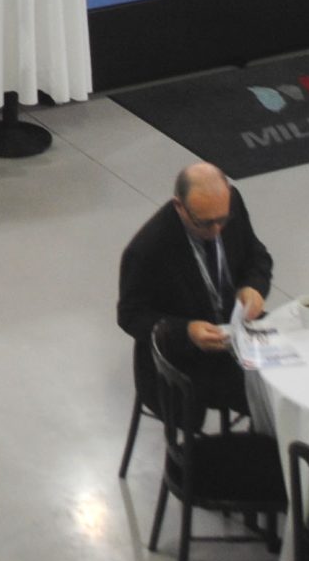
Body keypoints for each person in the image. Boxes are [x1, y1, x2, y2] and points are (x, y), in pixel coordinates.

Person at [117, 163, 274, 418]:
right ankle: (265, 439)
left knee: (293, 372)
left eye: (222, 220)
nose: (216, 230)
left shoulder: (229, 204)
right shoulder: (146, 250)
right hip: (184, 356)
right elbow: (130, 316)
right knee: (266, 392)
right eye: (205, 223)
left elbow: (257, 257)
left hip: (233, 330)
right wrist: (187, 331)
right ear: (179, 206)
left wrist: (254, 287)